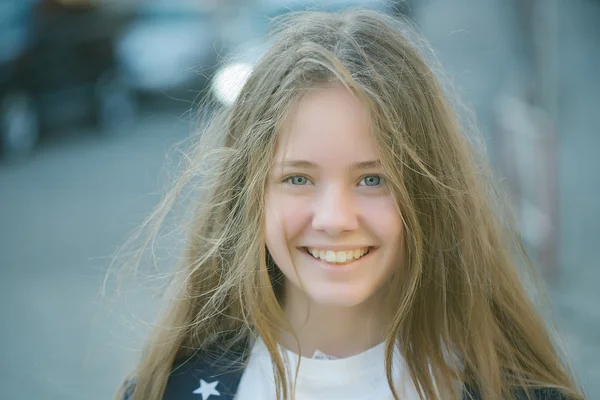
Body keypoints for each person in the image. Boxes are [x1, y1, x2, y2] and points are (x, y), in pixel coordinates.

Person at [115, 8, 584, 400]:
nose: (335, 219)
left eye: (373, 179)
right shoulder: (167, 389)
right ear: (249, 195)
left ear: (428, 193)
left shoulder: (514, 391)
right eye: (298, 178)